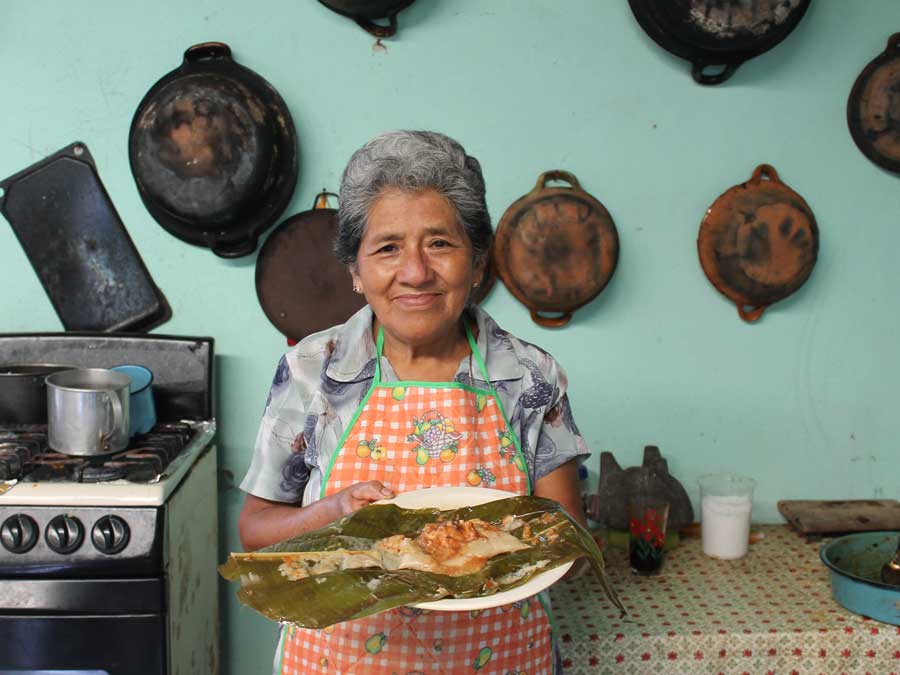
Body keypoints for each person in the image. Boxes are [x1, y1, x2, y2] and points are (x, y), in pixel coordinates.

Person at [239, 130, 591, 675]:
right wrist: (332, 513)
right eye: (387, 248)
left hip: (500, 658)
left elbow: (566, 536)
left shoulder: (528, 376)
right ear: (356, 271)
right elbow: (256, 528)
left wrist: (484, 554)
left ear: (477, 263)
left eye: (441, 243)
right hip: (340, 660)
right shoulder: (313, 370)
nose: (416, 272)